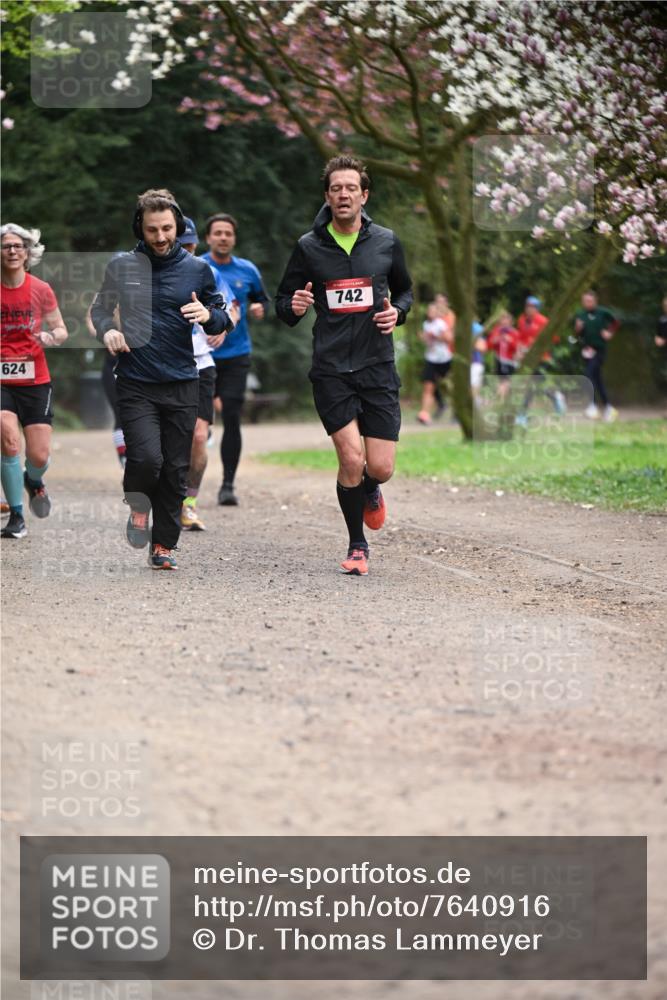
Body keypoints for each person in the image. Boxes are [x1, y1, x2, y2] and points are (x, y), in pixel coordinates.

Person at [276, 154, 413, 576]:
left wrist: (398, 313)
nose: (344, 194)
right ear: (327, 196)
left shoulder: (386, 242)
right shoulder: (309, 247)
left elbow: (405, 292)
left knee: (380, 467)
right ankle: (357, 545)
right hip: (331, 368)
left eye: (351, 188)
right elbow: (283, 303)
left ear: (364, 195)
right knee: (351, 459)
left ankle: (371, 488)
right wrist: (295, 305)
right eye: (336, 188)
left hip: (377, 365)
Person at [90, 189, 233, 570]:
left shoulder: (197, 269)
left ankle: (164, 545)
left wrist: (209, 315)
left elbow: (222, 317)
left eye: (167, 228)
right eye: (152, 229)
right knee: (145, 459)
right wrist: (108, 330)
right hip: (136, 380)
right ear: (140, 227)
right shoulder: (122, 266)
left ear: (178, 226)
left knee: (174, 467)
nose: (160, 236)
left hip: (183, 381)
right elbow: (100, 309)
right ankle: (138, 505)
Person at [1, 223, 68, 539]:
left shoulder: (40, 289)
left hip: (35, 379)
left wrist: (52, 337)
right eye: (6, 246)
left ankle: (34, 479)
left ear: (27, 253)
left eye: (18, 246)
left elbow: (61, 329)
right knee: (8, 439)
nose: (12, 251)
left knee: (38, 456)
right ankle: (16, 516)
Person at [202, 213, 269, 506]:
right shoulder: (197, 267)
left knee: (231, 416)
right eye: (218, 233)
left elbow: (262, 300)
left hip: (236, 354)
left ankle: (227, 485)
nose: (223, 237)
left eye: (228, 233)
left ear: (234, 238)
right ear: (208, 238)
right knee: (195, 420)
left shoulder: (247, 270)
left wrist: (258, 309)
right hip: (200, 354)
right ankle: (183, 485)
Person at [178, 216, 238, 532]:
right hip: (162, 365)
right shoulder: (150, 271)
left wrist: (223, 327)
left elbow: (231, 309)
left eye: (191, 245)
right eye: (182, 245)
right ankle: (162, 497)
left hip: (201, 364)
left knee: (199, 435)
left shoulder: (206, 272)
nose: (187, 250)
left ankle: (188, 503)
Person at [515, 296, 566, 426]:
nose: (529, 309)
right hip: (527, 357)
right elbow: (520, 337)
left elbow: (554, 339)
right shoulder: (522, 320)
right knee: (537, 385)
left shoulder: (543, 321)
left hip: (542, 358)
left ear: (537, 309)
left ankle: (522, 414)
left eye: (532, 307)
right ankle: (556, 397)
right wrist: (519, 351)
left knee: (532, 385)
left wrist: (539, 344)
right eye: (528, 306)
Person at [574, 290, 619, 421]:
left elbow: (616, 322)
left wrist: (609, 332)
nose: (587, 303)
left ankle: (592, 406)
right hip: (587, 351)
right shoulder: (580, 315)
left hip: (599, 350)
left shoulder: (603, 312)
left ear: (595, 301)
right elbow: (578, 334)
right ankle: (609, 408)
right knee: (598, 380)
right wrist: (578, 329)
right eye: (585, 301)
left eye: (589, 301)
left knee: (588, 374)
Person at [417, 299, 455, 425]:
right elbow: (428, 342)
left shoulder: (441, 324)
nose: (430, 313)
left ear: (437, 312)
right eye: (429, 311)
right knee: (428, 387)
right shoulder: (426, 324)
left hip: (444, 359)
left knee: (450, 387)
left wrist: (436, 336)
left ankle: (457, 412)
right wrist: (424, 338)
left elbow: (449, 339)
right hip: (431, 359)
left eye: (433, 311)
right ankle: (424, 414)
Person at [486, 311, 520, 401]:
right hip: (499, 360)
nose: (504, 322)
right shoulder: (496, 331)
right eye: (502, 320)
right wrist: (496, 340)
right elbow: (489, 345)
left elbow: (517, 348)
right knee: (501, 381)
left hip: (510, 362)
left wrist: (510, 340)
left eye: (506, 320)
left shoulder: (514, 333)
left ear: (511, 322)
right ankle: (501, 400)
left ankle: (499, 400)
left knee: (506, 382)